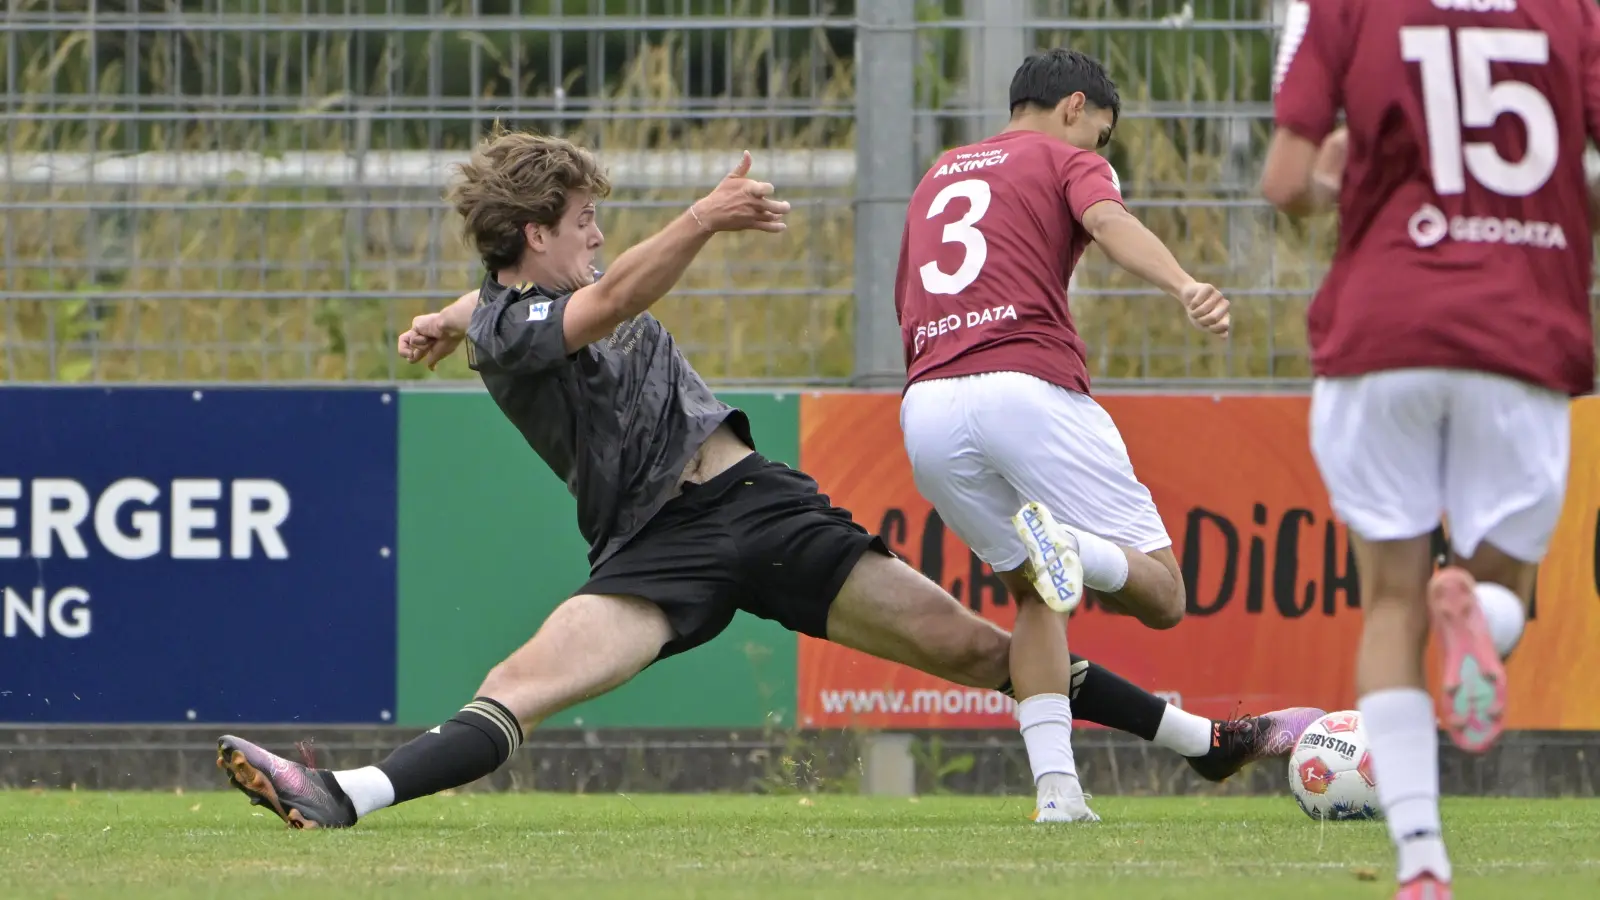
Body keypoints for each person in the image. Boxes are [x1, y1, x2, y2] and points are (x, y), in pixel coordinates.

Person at [213, 126, 1319, 830]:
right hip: (654, 548)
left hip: (761, 504)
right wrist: (696, 217)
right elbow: (586, 311)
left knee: (983, 651)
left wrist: (438, 314)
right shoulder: (519, 327)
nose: (600, 236)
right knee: (520, 684)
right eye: (587, 222)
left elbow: (514, 300)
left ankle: (1203, 744)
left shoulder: (497, 308)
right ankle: (344, 797)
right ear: (536, 234)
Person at [894, 47, 1318, 823]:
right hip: (1024, 386)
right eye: (1103, 133)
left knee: (1034, 596)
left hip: (926, 407)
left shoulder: (938, 175)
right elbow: (1109, 222)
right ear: (1074, 107)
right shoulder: (1063, 157)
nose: (1099, 149)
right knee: (1160, 592)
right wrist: (1184, 284)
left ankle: (1057, 794)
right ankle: (1073, 544)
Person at [1263, 1, 1599, 897]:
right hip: (1520, 334)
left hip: (1381, 332)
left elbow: (1285, 181)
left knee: (1391, 603)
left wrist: (1338, 184)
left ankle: (1421, 861)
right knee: (1508, 595)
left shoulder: (1350, 7)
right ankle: (1478, 621)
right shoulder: (1571, 13)